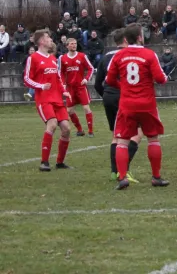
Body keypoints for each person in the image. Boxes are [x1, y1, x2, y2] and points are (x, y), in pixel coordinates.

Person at [105, 23, 170, 190]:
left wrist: (124, 87)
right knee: (153, 139)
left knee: (122, 141)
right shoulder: (149, 54)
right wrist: (164, 78)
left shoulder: (118, 56)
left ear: (126, 39)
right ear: (140, 37)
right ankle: (156, 177)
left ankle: (122, 178)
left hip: (127, 104)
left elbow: (109, 80)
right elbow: (161, 78)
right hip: (147, 104)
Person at [94, 29, 143, 183]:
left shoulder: (106, 57)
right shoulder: (131, 55)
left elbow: (97, 84)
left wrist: (107, 96)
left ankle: (114, 172)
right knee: (137, 133)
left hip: (109, 96)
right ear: (126, 40)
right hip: (125, 97)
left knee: (117, 135)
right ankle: (124, 170)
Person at [23, 30, 72, 171]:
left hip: (57, 99)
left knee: (67, 129)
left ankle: (60, 163)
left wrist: (64, 92)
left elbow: (58, 78)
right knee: (52, 124)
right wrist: (41, 86)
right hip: (44, 99)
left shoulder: (52, 59)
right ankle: (44, 162)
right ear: (41, 42)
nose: (51, 40)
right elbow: (26, 79)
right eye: (48, 38)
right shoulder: (33, 58)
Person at [59, 38, 95, 137]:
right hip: (70, 88)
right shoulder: (63, 58)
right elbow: (61, 72)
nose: (74, 45)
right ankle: (80, 130)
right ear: (67, 46)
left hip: (81, 87)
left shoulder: (82, 56)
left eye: (75, 43)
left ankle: (90, 131)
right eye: (72, 44)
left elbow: (91, 68)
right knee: (69, 110)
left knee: (86, 108)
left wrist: (86, 79)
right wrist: (63, 84)